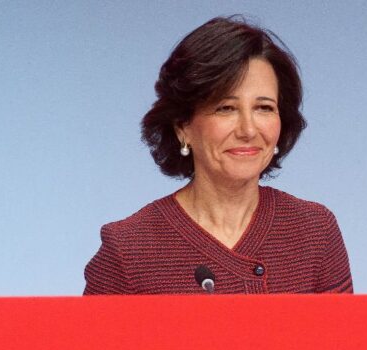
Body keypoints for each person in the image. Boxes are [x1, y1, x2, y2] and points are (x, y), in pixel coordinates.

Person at [84, 16, 352, 295]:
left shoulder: (315, 231)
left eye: (264, 108)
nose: (248, 130)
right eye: (226, 108)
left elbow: (348, 339)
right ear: (183, 127)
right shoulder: (128, 250)